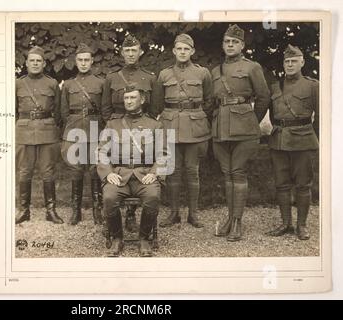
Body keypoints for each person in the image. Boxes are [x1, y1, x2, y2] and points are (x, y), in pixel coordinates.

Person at [211, 24, 270, 241]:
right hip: (220, 129)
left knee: (238, 172)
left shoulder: (252, 67)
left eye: (234, 42)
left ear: (242, 45)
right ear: (222, 44)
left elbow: (263, 97)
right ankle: (229, 217)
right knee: (227, 174)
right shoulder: (215, 71)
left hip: (244, 129)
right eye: (227, 41)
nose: (230, 45)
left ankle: (237, 222)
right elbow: (211, 101)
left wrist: (251, 120)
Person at [97, 83, 167, 257]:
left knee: (152, 197)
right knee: (109, 197)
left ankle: (144, 238)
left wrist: (154, 173)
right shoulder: (113, 125)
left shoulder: (154, 125)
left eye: (133, 97)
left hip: (144, 175)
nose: (128, 101)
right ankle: (117, 239)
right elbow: (101, 152)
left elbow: (164, 154)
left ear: (142, 100)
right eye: (126, 98)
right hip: (120, 175)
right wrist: (108, 173)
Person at [155, 33, 213, 228]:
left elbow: (209, 101)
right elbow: (157, 103)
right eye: (179, 48)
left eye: (186, 49)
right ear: (173, 51)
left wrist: (196, 115)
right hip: (170, 126)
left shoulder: (202, 73)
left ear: (192, 51)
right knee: (172, 172)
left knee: (192, 172)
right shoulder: (164, 74)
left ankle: (193, 214)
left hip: (195, 128)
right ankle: (173, 213)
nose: (182, 52)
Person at [101, 34, 157, 232]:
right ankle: (114, 223)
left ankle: (133, 216)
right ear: (122, 53)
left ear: (140, 52)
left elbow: (155, 106)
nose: (131, 54)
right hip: (117, 127)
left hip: (143, 129)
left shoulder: (149, 77)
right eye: (127, 50)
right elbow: (105, 108)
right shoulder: (112, 77)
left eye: (134, 50)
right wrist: (115, 125)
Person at [266, 44, 319, 240]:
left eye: (293, 61)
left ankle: (302, 225)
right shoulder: (275, 86)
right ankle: (285, 223)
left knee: (303, 184)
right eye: (286, 61)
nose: (289, 64)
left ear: (302, 62)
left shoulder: (313, 85)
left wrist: (316, 138)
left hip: (302, 140)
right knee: (281, 184)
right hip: (279, 140)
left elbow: (321, 116)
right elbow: (273, 116)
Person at [15, 45, 63, 224]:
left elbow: (58, 110)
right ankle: (23, 211)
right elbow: (12, 108)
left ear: (44, 64)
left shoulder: (51, 83)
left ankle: (51, 211)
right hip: (24, 130)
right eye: (32, 61)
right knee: (24, 172)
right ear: (26, 63)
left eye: (38, 61)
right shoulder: (18, 83)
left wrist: (52, 126)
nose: (35, 64)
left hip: (47, 131)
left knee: (48, 172)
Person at [60, 43, 105, 225]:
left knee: (96, 170)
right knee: (76, 170)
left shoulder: (101, 83)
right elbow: (63, 112)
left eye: (87, 60)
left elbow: (104, 109)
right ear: (75, 61)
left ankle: (97, 210)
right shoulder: (69, 85)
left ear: (92, 61)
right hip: (74, 130)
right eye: (80, 60)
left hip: (95, 130)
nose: (84, 63)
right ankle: (75, 211)